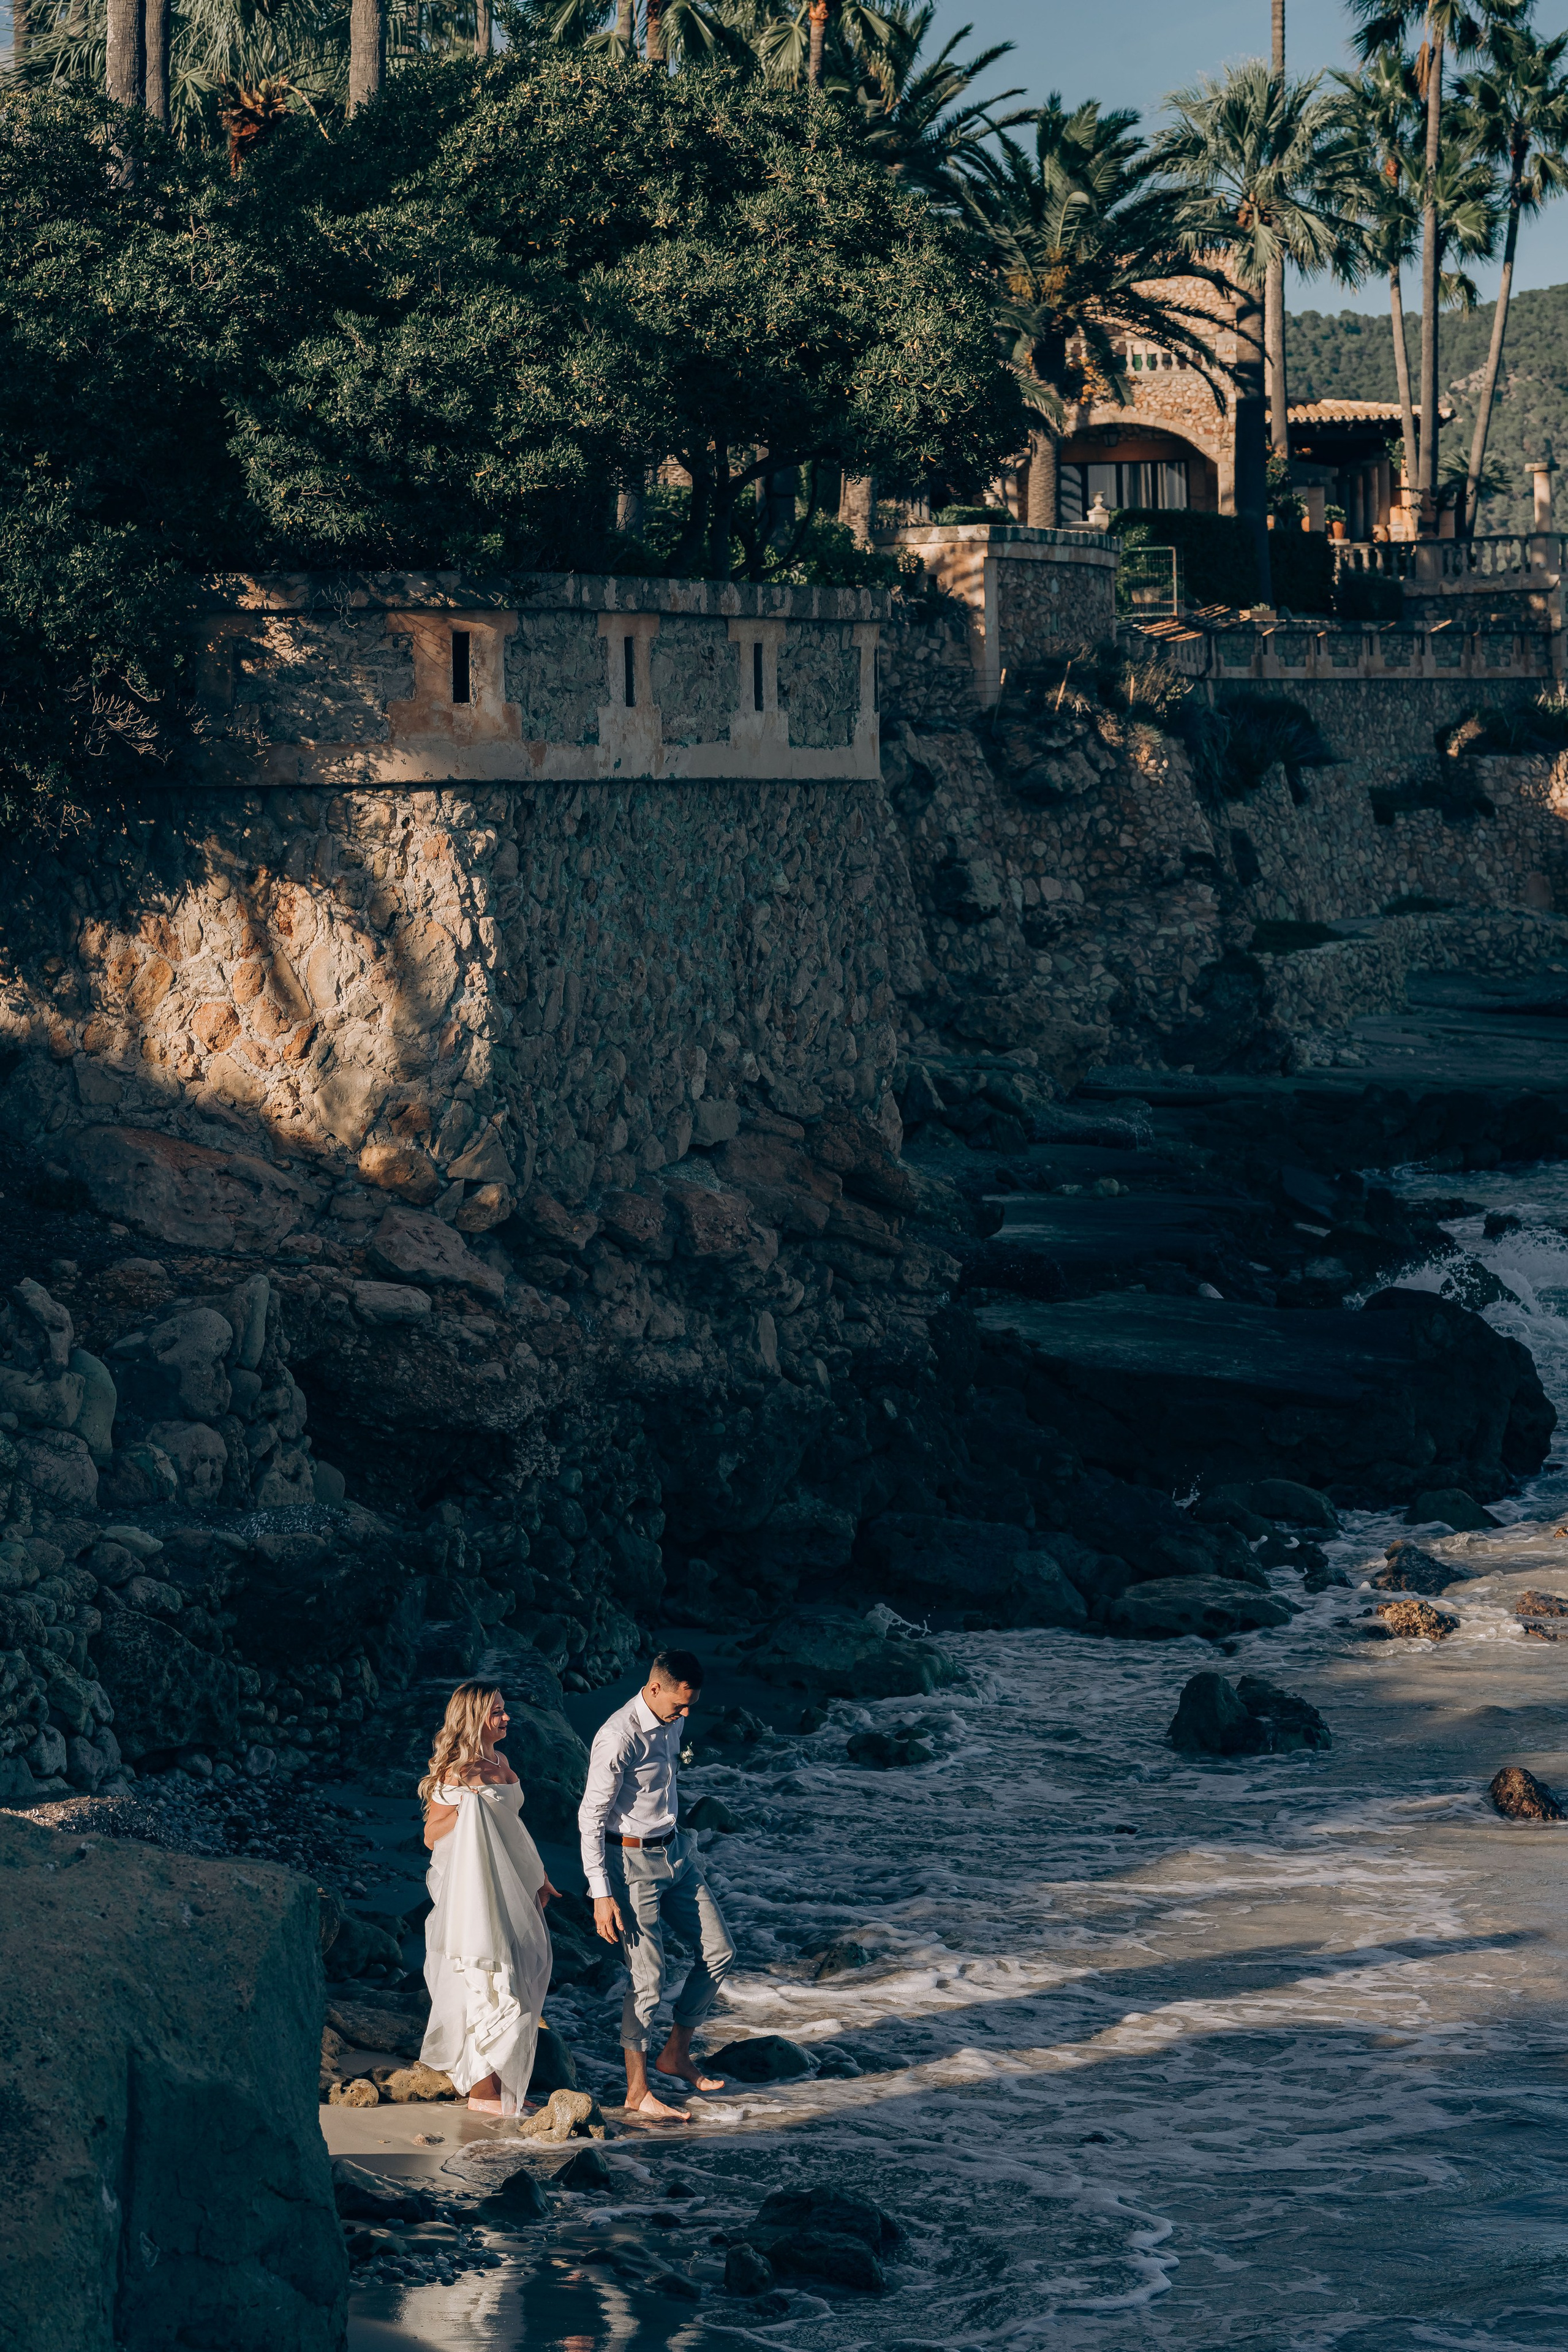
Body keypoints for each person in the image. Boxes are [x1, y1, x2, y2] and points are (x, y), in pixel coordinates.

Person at [579, 1648, 736, 2120]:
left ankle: (676, 2054)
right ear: (653, 1689)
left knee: (720, 1951)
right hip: (630, 1865)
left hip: (677, 1854)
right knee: (648, 1980)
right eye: (679, 1704)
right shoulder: (617, 1738)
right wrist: (601, 1893)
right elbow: (590, 1817)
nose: (686, 1714)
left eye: (691, 1705)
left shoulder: (674, 1719)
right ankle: (636, 2090)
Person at [418, 1681, 561, 2116]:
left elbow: (513, 1830)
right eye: (497, 1711)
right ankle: (484, 2091)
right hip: (478, 1891)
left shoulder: (501, 1760)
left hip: (515, 1884)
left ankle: (501, 2083)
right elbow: (430, 1837)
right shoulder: (455, 1774)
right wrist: (466, 1810)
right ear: (475, 1717)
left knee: (519, 1979)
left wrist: (540, 1877)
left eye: (504, 1710)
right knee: (490, 1980)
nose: (506, 1718)